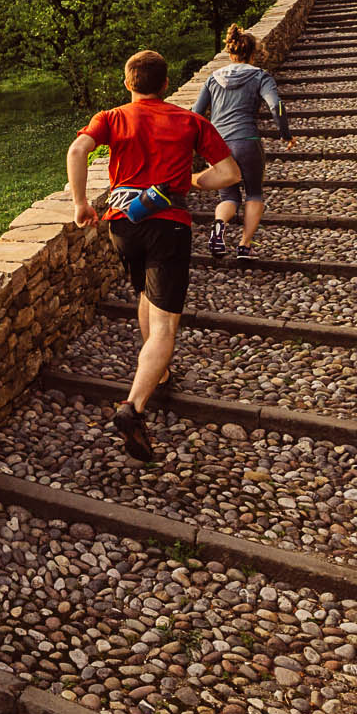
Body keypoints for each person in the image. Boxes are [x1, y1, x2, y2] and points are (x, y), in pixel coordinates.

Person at [68, 49, 239, 462]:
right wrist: (194, 181)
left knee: (146, 293)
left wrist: (79, 205)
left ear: (129, 83)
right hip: (168, 223)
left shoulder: (111, 117)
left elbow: (77, 152)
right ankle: (133, 408)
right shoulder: (190, 121)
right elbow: (231, 173)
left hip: (122, 224)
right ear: (166, 85)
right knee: (165, 325)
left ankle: (158, 372)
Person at [191, 25, 294, 260]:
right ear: (253, 54)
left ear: (230, 53)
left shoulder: (213, 79)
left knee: (228, 196)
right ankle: (244, 246)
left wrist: (199, 144)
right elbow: (276, 106)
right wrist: (285, 133)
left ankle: (219, 226)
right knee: (254, 193)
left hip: (218, 146)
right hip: (247, 141)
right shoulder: (259, 76)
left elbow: (196, 114)